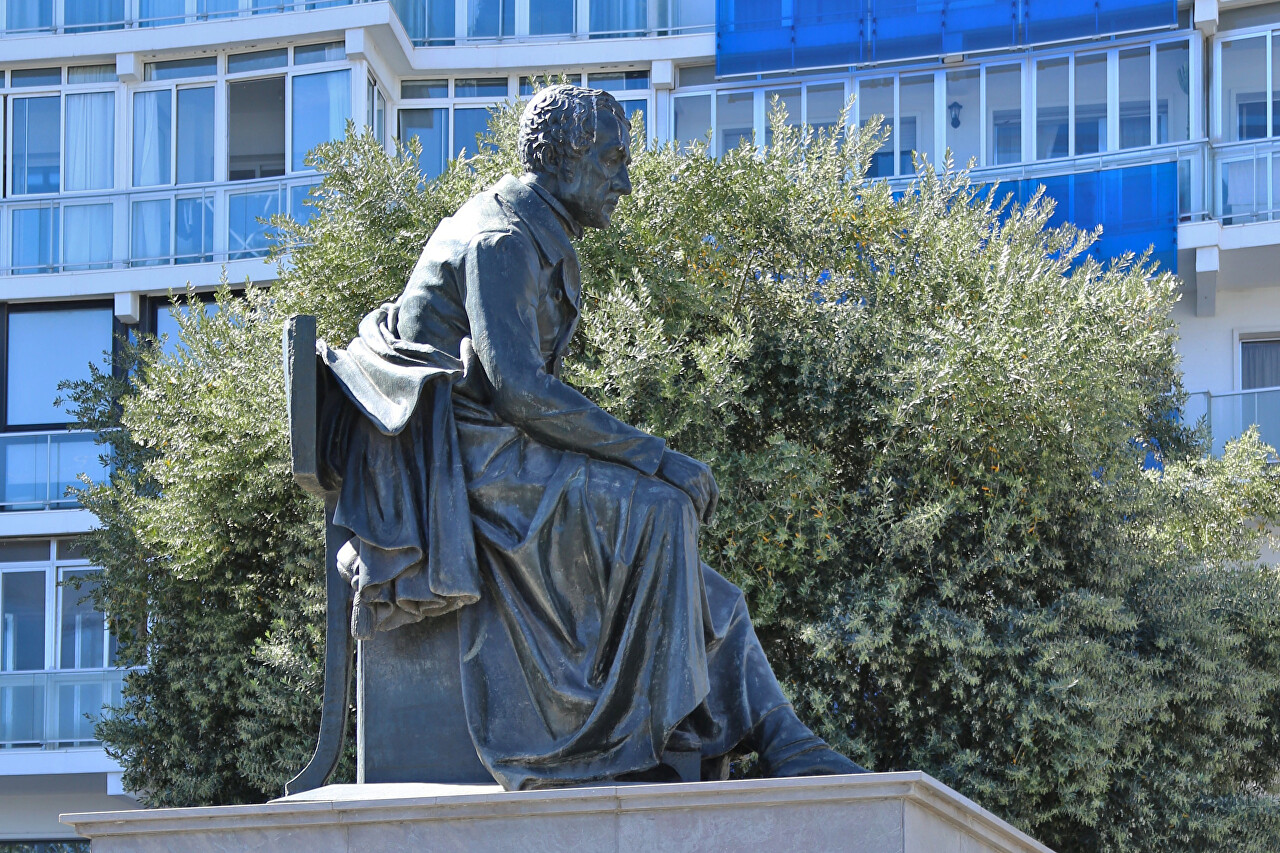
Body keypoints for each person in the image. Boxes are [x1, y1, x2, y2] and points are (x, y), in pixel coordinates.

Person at [320, 84, 865, 791]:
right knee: (662, 508)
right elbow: (518, 389)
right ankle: (637, 737)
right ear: (561, 160)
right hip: (460, 472)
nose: (625, 182)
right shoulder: (502, 239)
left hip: (495, 455)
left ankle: (784, 738)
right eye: (612, 161)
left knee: (702, 586)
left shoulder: (532, 228)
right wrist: (654, 454)